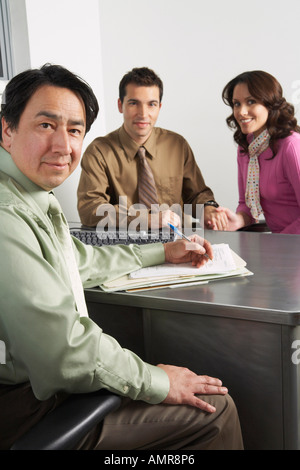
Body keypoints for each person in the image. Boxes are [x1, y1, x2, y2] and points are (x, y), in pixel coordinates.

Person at [0, 64, 243, 450]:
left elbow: (79, 260)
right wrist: (155, 381)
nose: (63, 146)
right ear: (6, 129)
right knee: (214, 409)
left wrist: (168, 246)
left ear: (160, 107)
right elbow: (91, 211)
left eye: (74, 129)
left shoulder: (31, 196)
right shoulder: (11, 212)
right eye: (46, 125)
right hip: (24, 405)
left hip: (40, 384)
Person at [77, 67, 228, 231]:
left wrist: (208, 209)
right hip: (127, 247)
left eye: (151, 104)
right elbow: (90, 209)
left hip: (177, 239)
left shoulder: (177, 145)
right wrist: (145, 220)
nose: (143, 114)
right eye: (134, 103)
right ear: (120, 105)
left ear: (159, 107)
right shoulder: (99, 151)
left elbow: (197, 194)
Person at [221, 70, 300, 234]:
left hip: (289, 245)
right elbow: (246, 204)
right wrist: (238, 220)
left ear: (270, 104)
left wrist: (277, 246)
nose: (241, 112)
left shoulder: (291, 147)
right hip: (280, 244)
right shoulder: (246, 148)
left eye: (251, 102)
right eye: (236, 104)